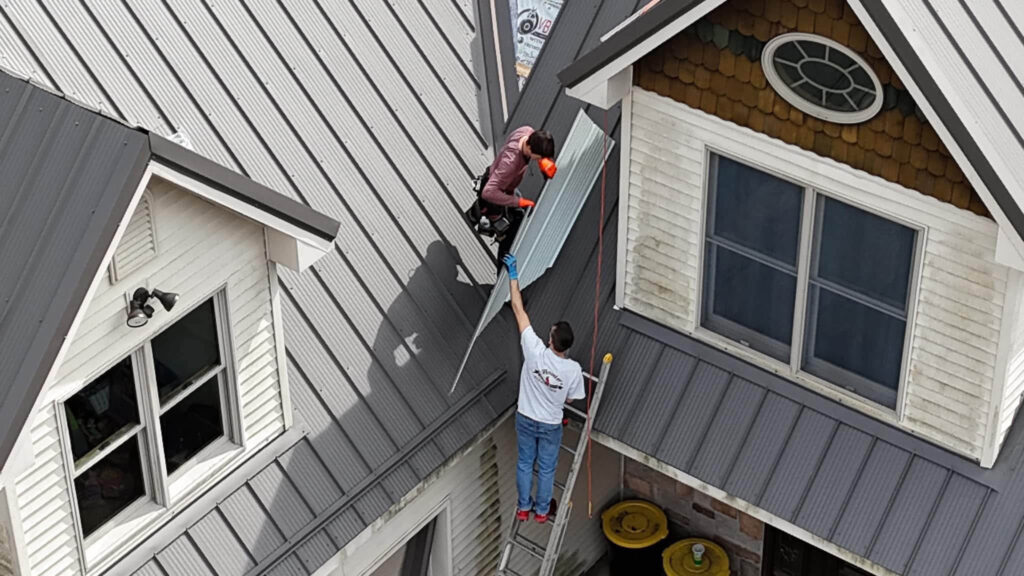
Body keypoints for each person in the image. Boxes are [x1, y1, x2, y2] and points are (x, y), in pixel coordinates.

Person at [502, 253, 584, 523]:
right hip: (550, 424)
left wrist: (513, 274)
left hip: (525, 417)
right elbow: (571, 400)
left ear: (551, 340)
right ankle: (540, 512)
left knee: (526, 463)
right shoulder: (573, 370)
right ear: (567, 345)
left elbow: (518, 309)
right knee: (546, 470)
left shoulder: (534, 351)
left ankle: (523, 508)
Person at [467, 127, 556, 267]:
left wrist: (545, 164)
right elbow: (489, 192)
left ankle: (472, 216)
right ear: (530, 148)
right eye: (537, 157)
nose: (537, 160)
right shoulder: (511, 163)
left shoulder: (526, 131)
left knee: (517, 216)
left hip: (501, 184)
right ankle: (502, 277)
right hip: (493, 196)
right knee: (509, 235)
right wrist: (517, 201)